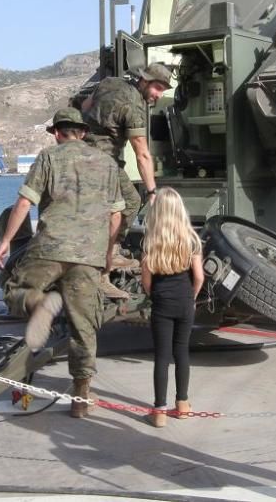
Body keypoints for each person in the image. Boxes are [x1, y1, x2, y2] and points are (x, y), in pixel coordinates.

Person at [0, 108, 124, 418]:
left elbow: (25, 202)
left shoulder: (50, 157)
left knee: (14, 290)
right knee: (84, 326)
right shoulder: (107, 164)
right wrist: (106, 256)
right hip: (89, 255)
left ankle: (39, 301)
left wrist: (5, 241)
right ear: (81, 131)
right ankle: (81, 398)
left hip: (50, 247)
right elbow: (116, 215)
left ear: (57, 132)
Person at [82, 62, 173, 253]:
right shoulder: (134, 108)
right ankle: (111, 253)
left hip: (80, 151)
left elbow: (85, 106)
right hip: (103, 160)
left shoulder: (109, 82)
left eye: (163, 90)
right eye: (157, 88)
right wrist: (151, 192)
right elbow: (142, 155)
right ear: (144, 81)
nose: (159, 95)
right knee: (131, 202)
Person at [140, 187, 204, 428]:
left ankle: (159, 411)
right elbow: (198, 276)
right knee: (182, 353)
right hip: (185, 302)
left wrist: (154, 294)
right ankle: (183, 405)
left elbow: (146, 280)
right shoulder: (191, 240)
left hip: (162, 304)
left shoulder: (151, 242)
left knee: (162, 357)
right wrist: (192, 296)